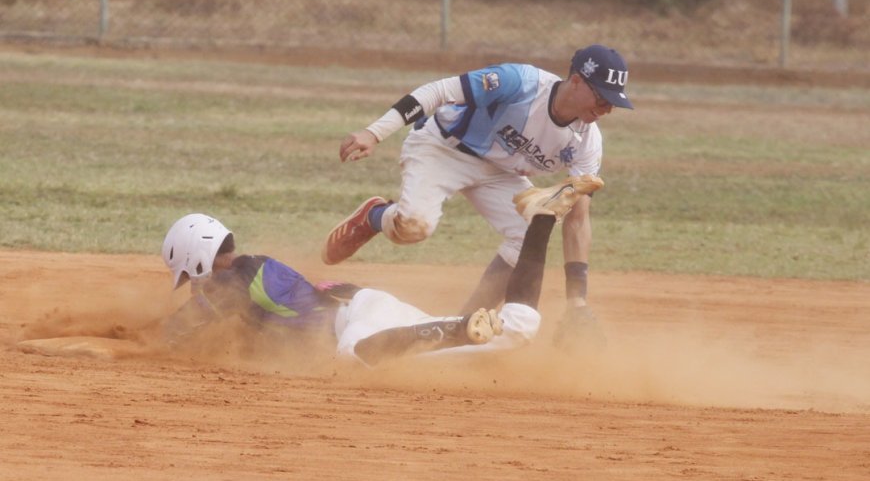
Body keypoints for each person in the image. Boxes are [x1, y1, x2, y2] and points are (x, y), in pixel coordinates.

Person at [322, 44, 632, 344]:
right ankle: (374, 216)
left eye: (613, 102)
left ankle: (464, 325)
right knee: (414, 228)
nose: (606, 109)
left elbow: (577, 218)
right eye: (601, 97)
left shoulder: (587, 142)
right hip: (443, 147)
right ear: (576, 81)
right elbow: (438, 91)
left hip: (500, 173)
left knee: (529, 233)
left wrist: (577, 300)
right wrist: (374, 132)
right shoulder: (521, 83)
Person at [159, 180, 598, 366]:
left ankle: (458, 328)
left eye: (190, 276)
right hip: (380, 315)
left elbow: (178, 330)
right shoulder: (254, 278)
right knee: (518, 329)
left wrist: (128, 343)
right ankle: (541, 218)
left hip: (361, 323)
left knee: (351, 356)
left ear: (198, 259)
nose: (194, 285)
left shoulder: (238, 276)